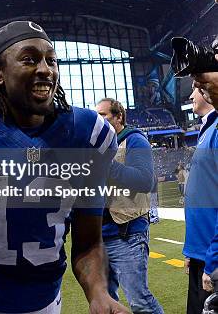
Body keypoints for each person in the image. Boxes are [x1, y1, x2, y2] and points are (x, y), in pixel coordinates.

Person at [0, 20, 127, 314]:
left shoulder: (89, 135)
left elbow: (89, 241)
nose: (45, 69)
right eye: (29, 59)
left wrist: (98, 293)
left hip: (47, 305)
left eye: (51, 60)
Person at [95, 98, 163, 314]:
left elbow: (144, 180)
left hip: (127, 234)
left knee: (139, 301)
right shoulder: (97, 146)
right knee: (105, 302)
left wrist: (107, 164)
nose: (99, 120)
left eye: (103, 115)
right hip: (99, 237)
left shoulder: (134, 140)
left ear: (119, 116)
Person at [183, 85, 218, 314]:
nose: (191, 95)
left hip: (211, 257)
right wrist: (190, 251)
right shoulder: (207, 128)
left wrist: (213, 261)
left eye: (195, 88)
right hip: (200, 252)